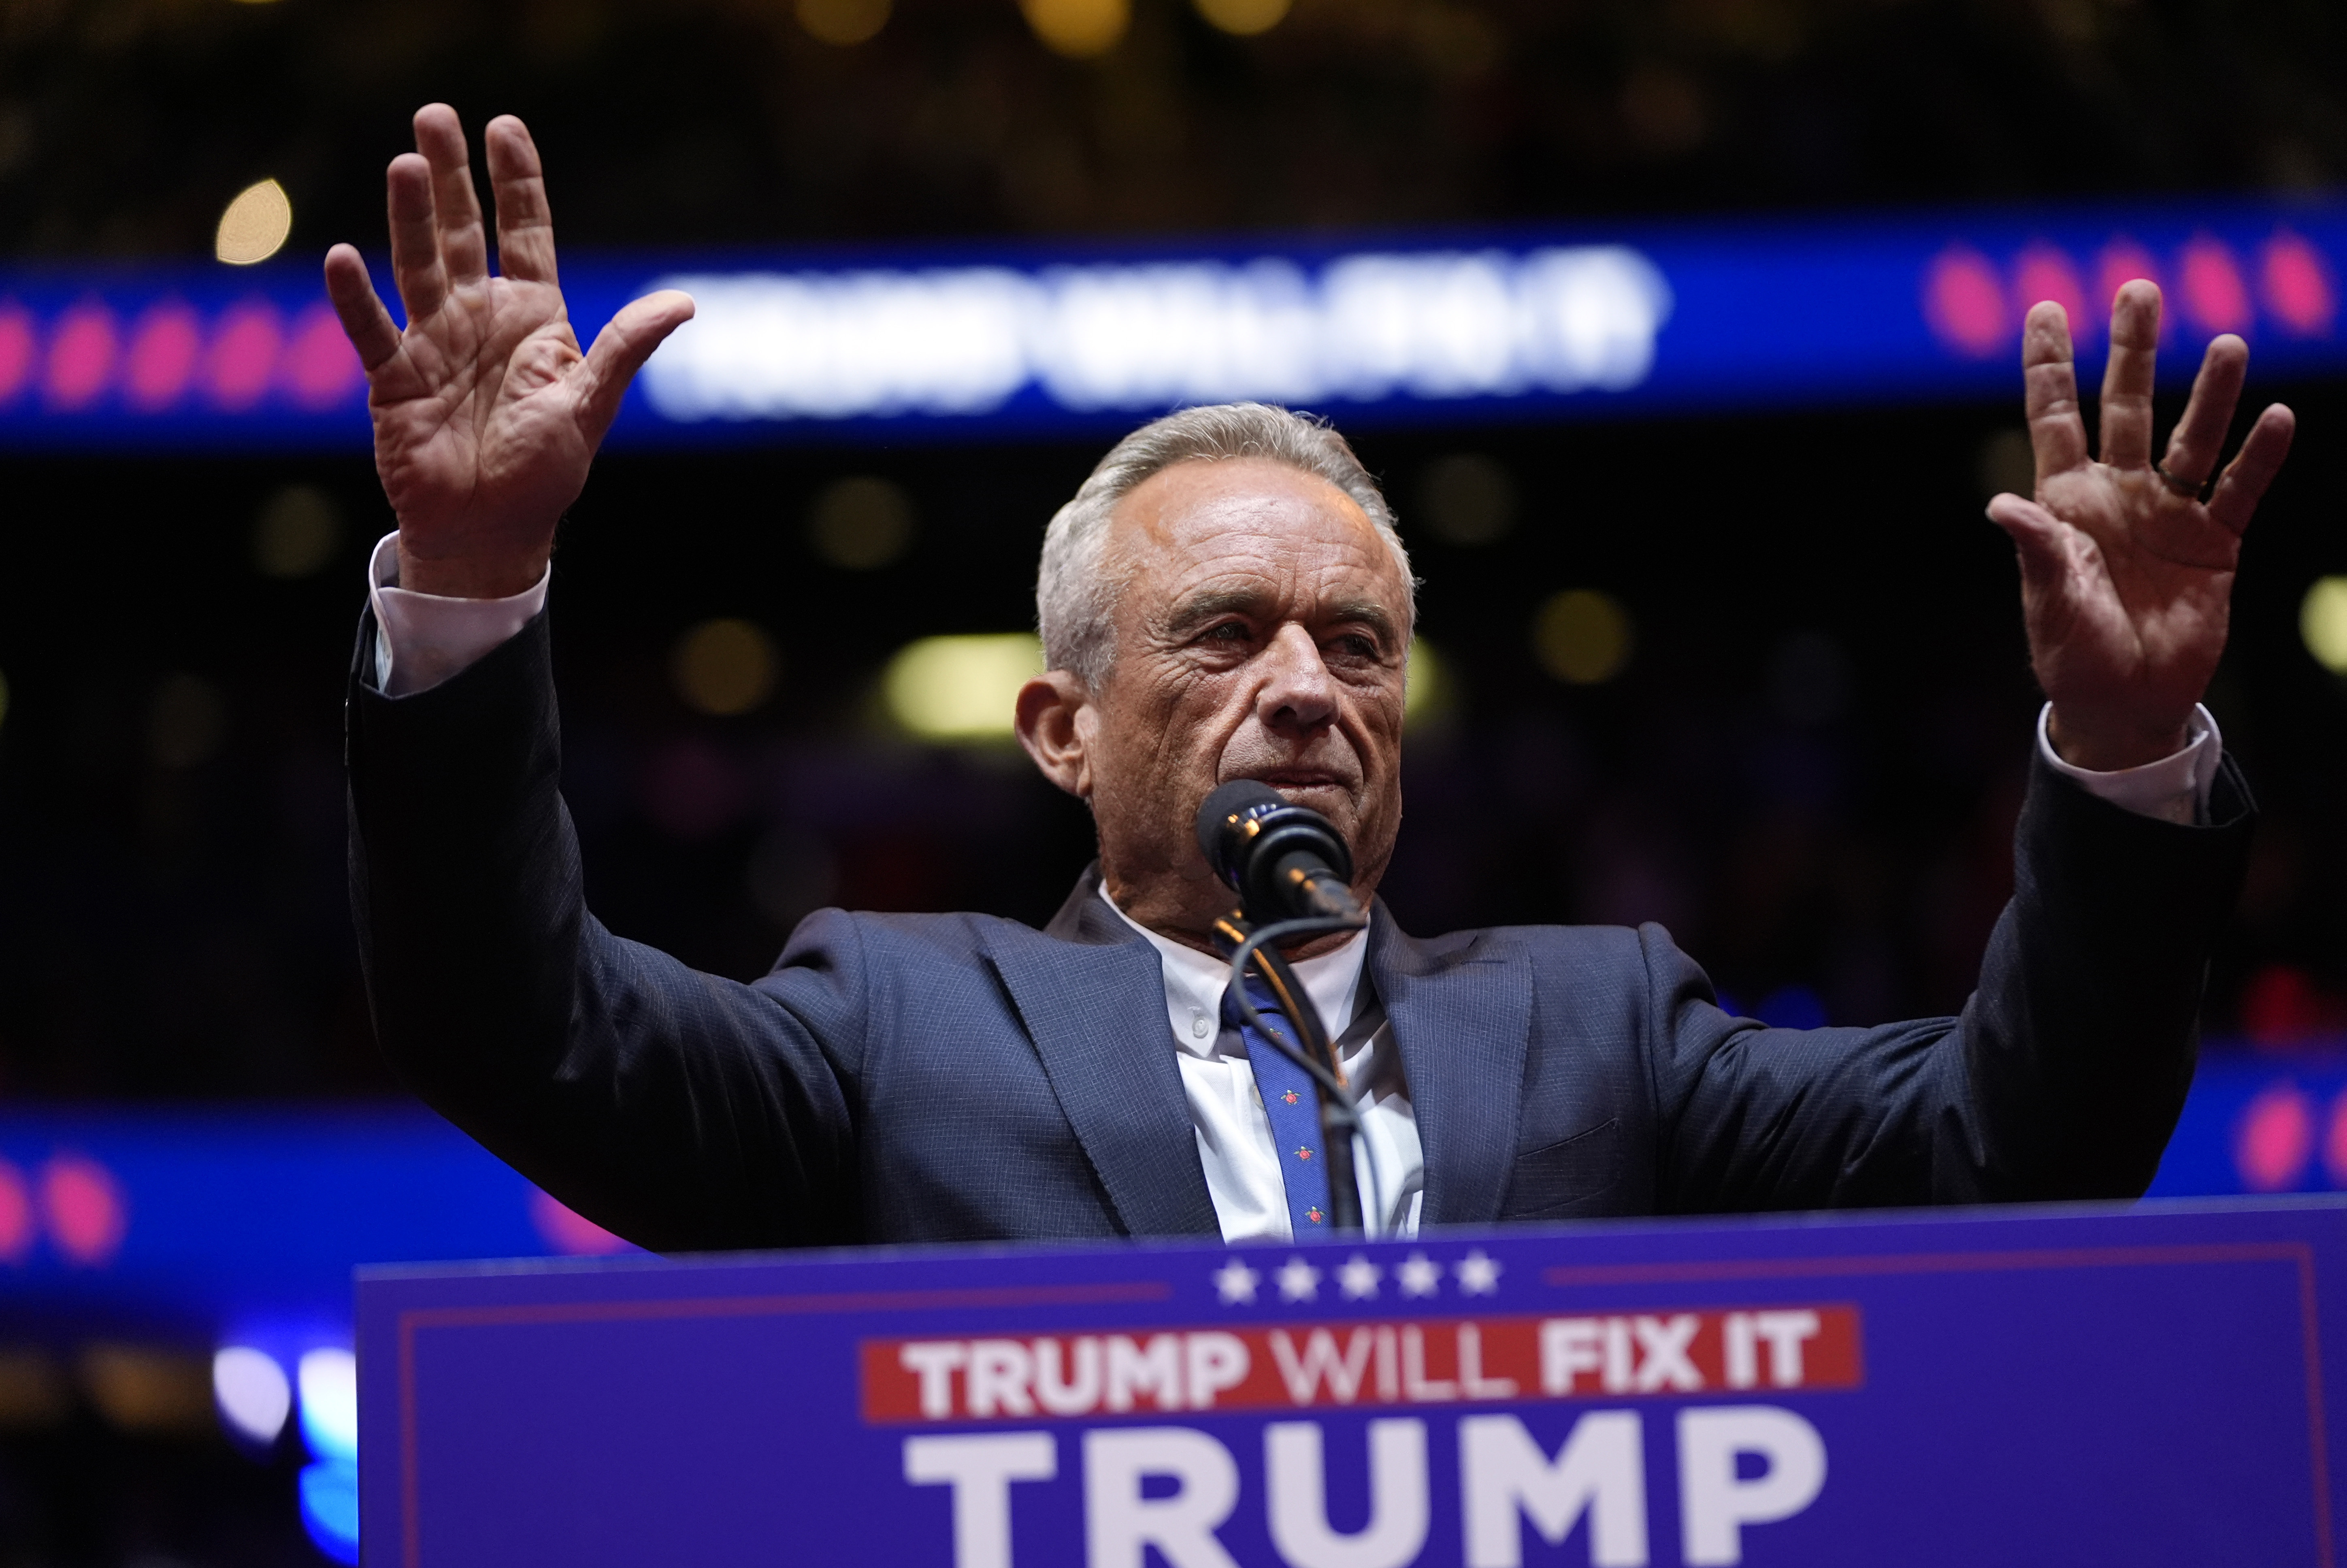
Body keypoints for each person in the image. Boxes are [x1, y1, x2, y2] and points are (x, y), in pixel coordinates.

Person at [331, 106, 2292, 1253]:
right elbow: (520, 1030)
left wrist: (2121, 752)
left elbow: (2016, 1150)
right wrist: (477, 582)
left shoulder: (1604, 1027)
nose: (1308, 688)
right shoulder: (890, 1027)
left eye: (1361, 646)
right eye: (1226, 632)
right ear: (1061, 727)